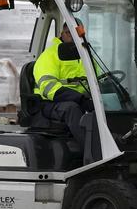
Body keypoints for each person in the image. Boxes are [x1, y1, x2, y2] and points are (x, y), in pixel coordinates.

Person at [31, 22, 101, 162]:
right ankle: (94, 154)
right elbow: (48, 87)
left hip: (79, 98)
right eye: (69, 33)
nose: (74, 36)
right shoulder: (50, 55)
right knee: (72, 109)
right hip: (50, 103)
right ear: (62, 34)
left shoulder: (84, 54)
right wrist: (80, 99)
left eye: (78, 33)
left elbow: (98, 78)